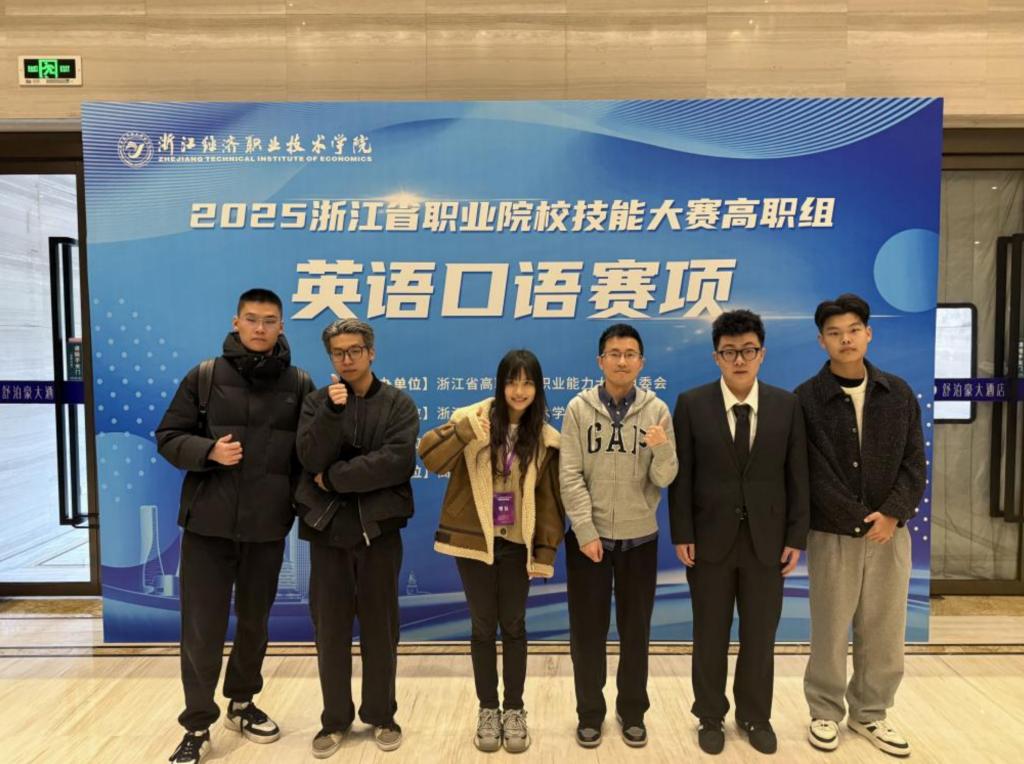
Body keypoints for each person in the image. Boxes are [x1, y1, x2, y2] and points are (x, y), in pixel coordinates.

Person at [157, 288, 314, 764]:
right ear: (236, 322)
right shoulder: (204, 376)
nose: (260, 328)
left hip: (267, 527)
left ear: (281, 326)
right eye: (252, 319)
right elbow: (168, 436)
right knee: (201, 628)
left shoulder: (300, 383)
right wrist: (208, 451)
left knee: (254, 623)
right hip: (208, 526)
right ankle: (197, 724)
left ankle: (242, 704)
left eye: (269, 320)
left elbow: (308, 455)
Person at [669, 308, 809, 756]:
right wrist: (682, 532)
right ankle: (710, 715)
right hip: (708, 541)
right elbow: (681, 477)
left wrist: (796, 537)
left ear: (762, 353)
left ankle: (755, 715)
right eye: (729, 352)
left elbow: (797, 476)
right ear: (716, 357)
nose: (740, 360)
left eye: (748, 350)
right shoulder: (692, 404)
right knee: (709, 634)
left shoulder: (786, 406)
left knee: (760, 636)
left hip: (767, 543)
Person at [797, 294, 925, 757]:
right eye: (834, 333)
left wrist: (892, 513)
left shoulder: (898, 393)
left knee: (885, 628)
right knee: (830, 628)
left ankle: (871, 712)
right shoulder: (805, 399)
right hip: (833, 533)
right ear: (822, 341)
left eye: (853, 330)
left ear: (868, 333)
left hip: (890, 532)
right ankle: (824, 711)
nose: (845, 339)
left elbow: (914, 462)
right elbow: (810, 471)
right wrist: (856, 518)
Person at [418, 349, 564, 754]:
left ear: (538, 388)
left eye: (528, 382)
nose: (519, 390)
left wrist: (544, 554)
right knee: (482, 627)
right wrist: (464, 432)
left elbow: (550, 503)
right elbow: (430, 459)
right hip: (475, 541)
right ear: (500, 385)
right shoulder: (472, 419)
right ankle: (487, 709)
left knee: (514, 626)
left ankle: (514, 710)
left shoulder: (545, 438)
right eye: (512, 381)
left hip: (517, 545)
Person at [295, 318, 420, 759]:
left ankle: (382, 714)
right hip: (327, 531)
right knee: (329, 631)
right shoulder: (317, 402)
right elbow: (309, 457)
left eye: (354, 351)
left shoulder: (398, 404)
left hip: (378, 531)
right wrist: (332, 414)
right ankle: (334, 720)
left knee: (381, 630)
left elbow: (396, 463)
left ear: (371, 352)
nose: (346, 359)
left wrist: (335, 478)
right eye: (338, 353)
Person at [559, 323, 678, 749]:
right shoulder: (578, 409)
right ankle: (590, 713)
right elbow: (569, 474)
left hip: (639, 540)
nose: (622, 361)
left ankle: (632, 712)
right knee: (587, 634)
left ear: (641, 362)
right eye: (614, 353)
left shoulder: (657, 410)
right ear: (600, 361)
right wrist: (585, 530)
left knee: (635, 632)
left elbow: (665, 476)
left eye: (630, 354)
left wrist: (662, 448)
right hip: (587, 543)